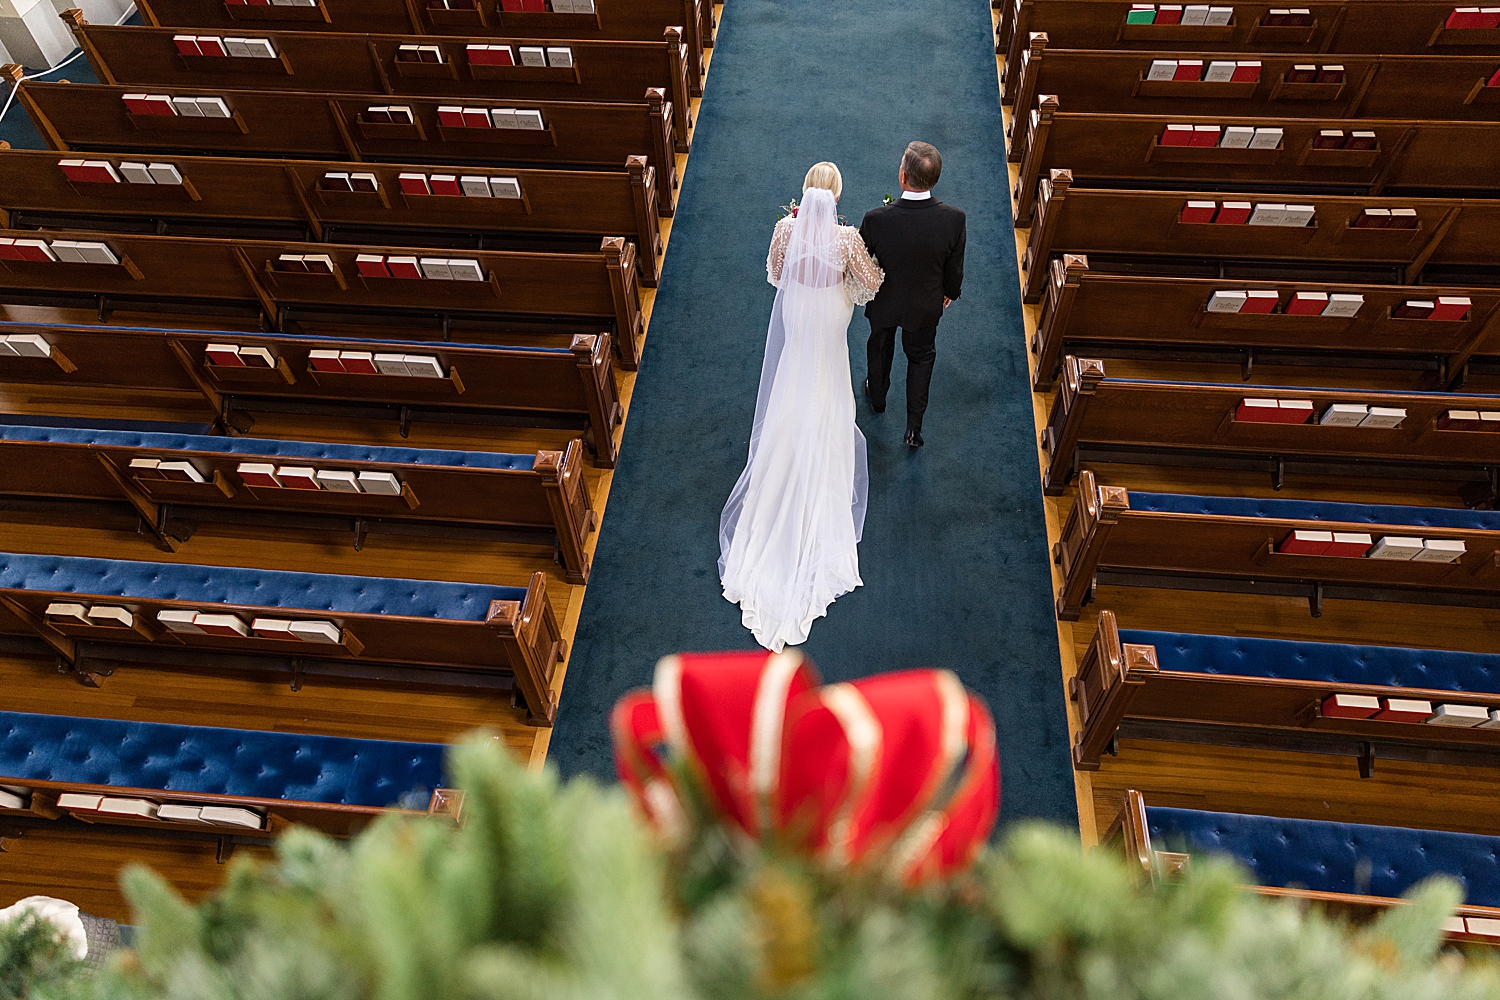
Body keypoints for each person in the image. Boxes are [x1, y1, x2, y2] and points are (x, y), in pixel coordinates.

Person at [719, 162, 885, 652]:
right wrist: (851, 284)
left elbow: (775, 274)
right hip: (831, 317)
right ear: (834, 196)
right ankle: (821, 445)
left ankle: (785, 448)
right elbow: (870, 283)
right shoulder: (847, 238)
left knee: (794, 370)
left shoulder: (784, 229)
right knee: (829, 375)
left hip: (798, 312)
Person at [858, 141, 967, 448]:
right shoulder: (954, 219)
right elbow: (953, 266)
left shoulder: (876, 218)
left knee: (879, 345)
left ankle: (877, 397)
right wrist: (949, 293)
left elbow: (863, 261)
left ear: (903, 176)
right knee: (921, 357)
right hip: (925, 305)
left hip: (885, 301)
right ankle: (913, 428)